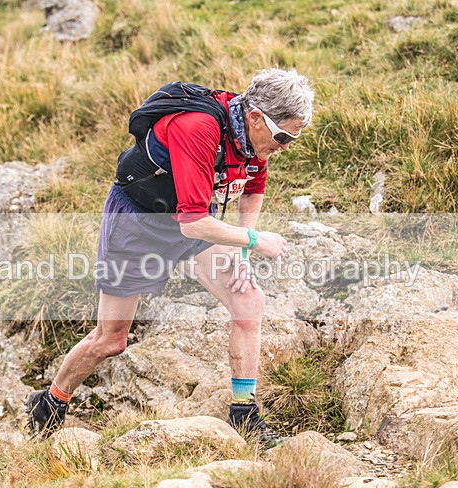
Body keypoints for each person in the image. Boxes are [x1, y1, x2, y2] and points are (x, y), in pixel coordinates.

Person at [26, 68, 315, 448]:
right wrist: (255, 239)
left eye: (293, 138)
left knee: (249, 300)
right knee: (111, 340)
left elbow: (253, 187)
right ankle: (50, 401)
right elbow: (194, 223)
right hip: (138, 224)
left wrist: (242, 250)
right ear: (256, 117)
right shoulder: (198, 127)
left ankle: (244, 416)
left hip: (193, 218)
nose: (286, 146)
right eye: (283, 136)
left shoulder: (251, 138)